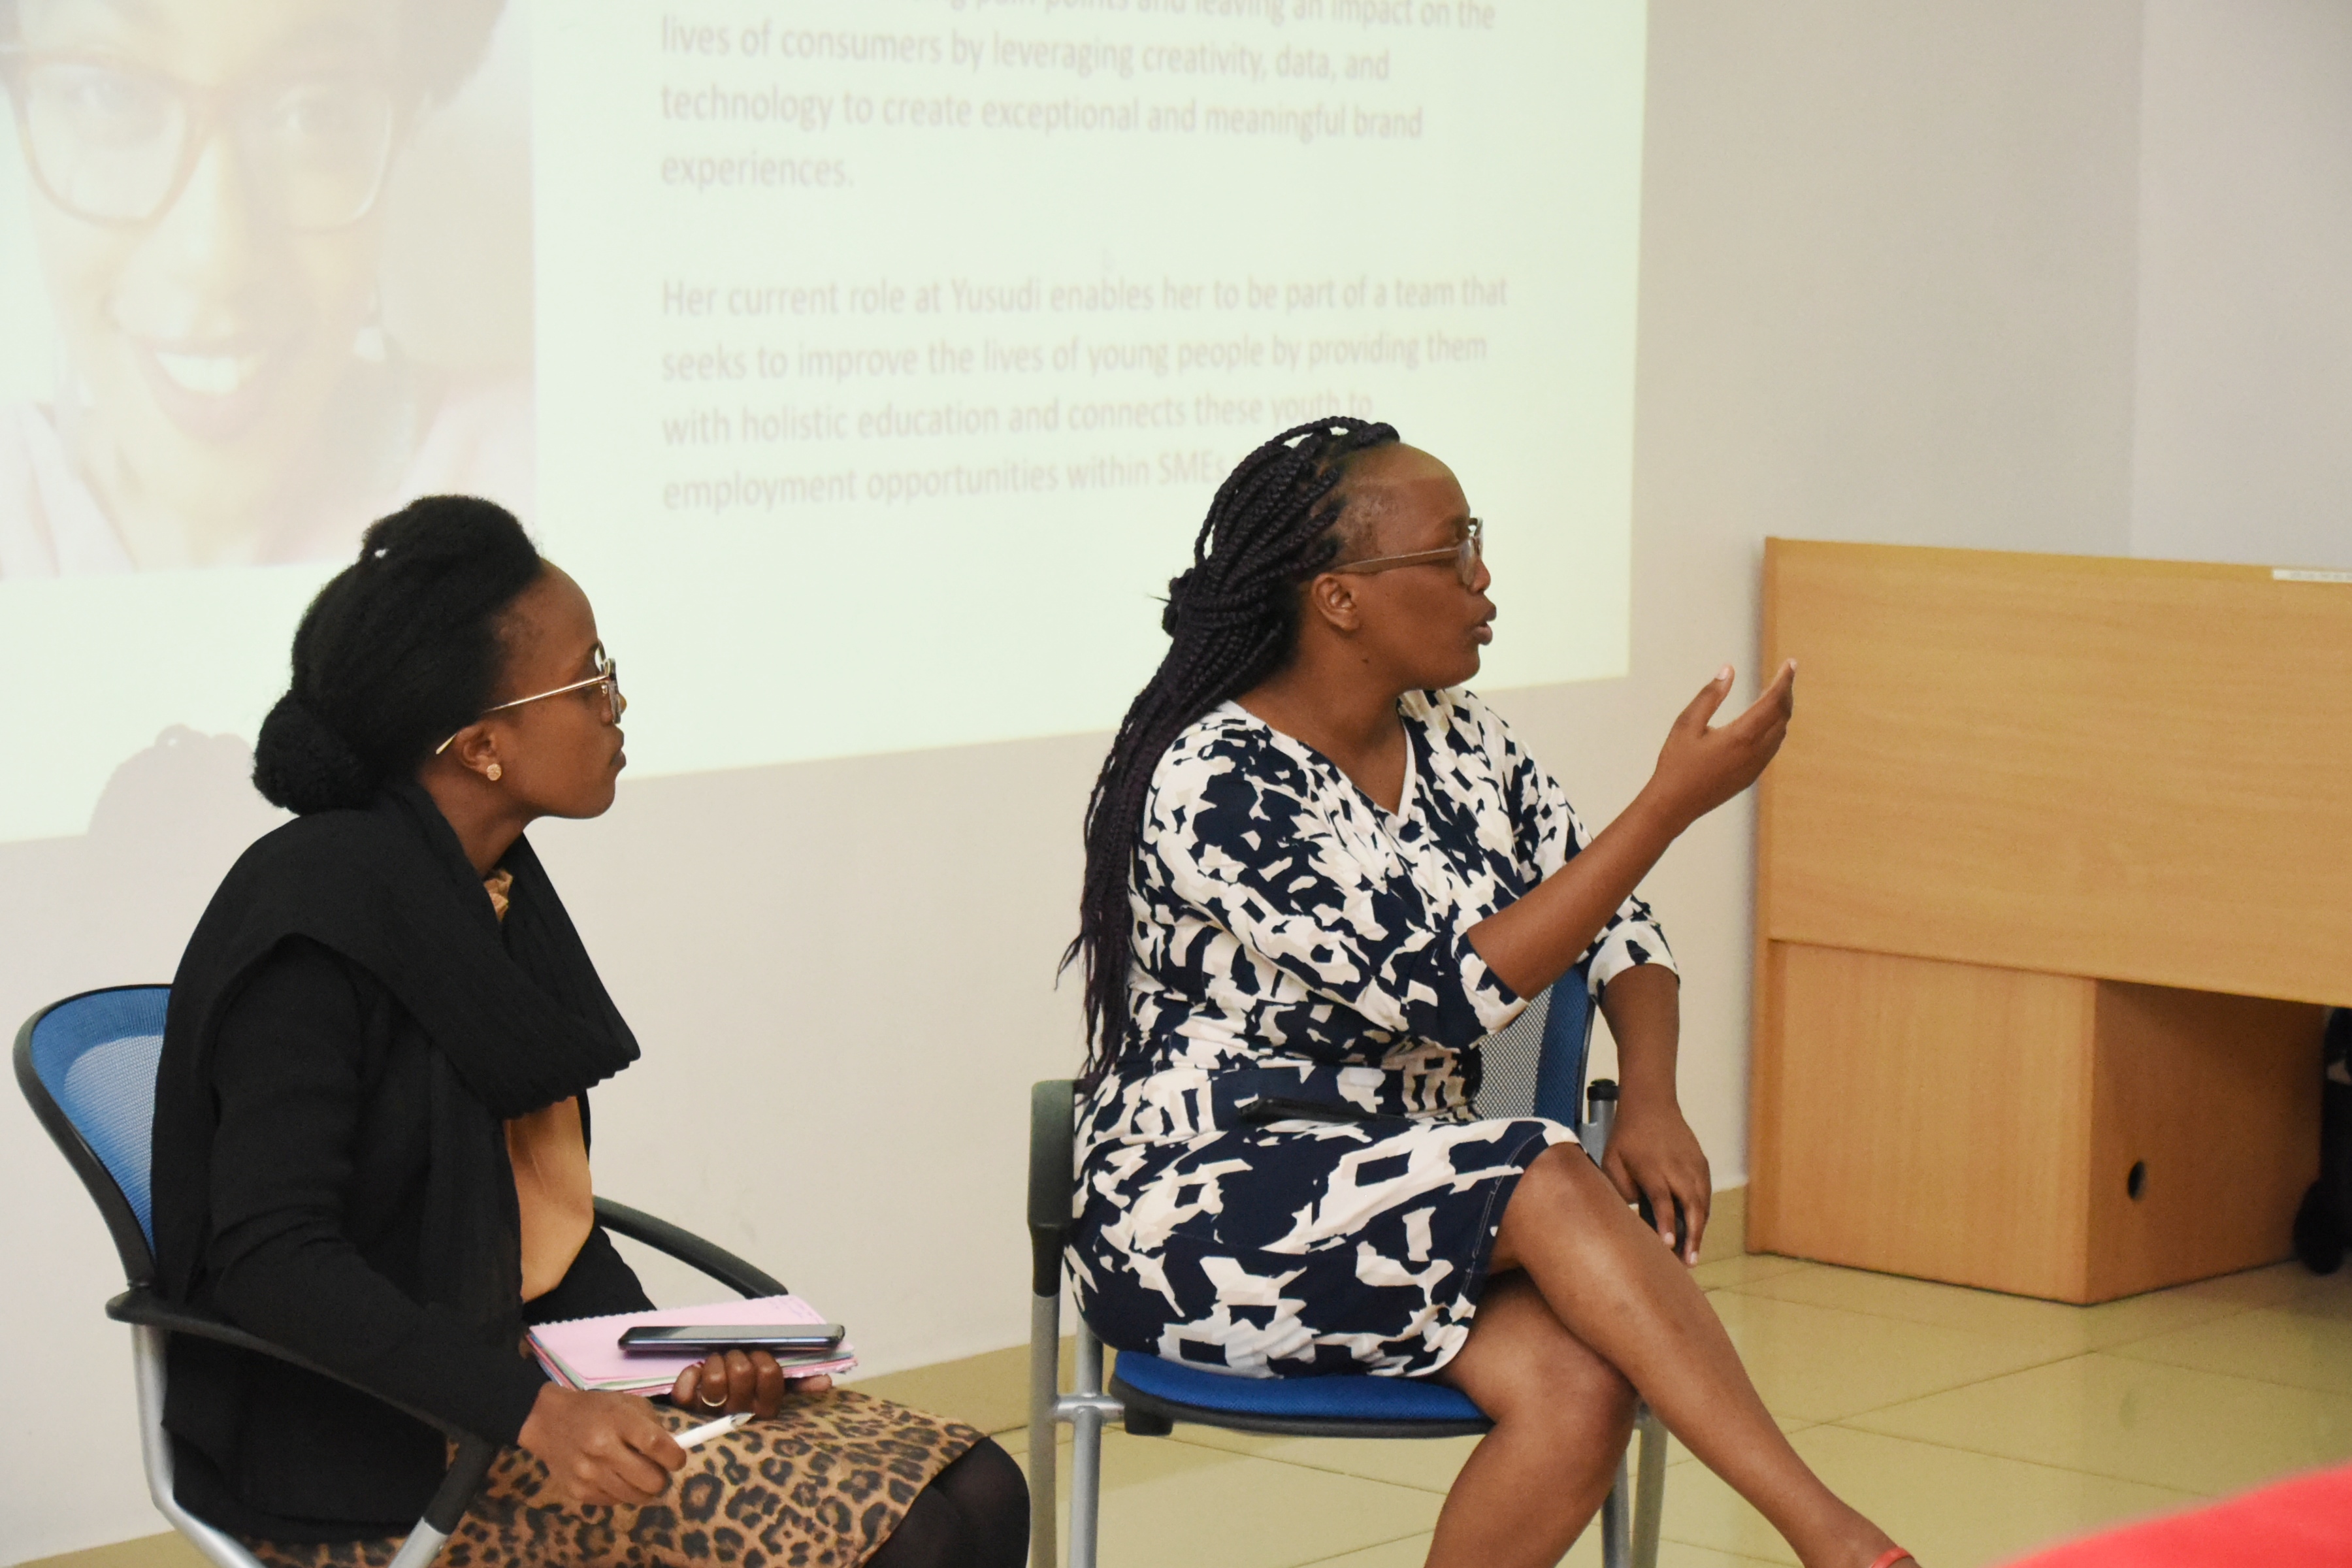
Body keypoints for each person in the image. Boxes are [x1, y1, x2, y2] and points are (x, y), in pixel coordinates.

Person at [1064, 419, 1918, 1568]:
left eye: (1480, 545)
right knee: (1541, 1165)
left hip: (1407, 1194)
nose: (1483, 580)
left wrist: (1653, 1096)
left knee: (1577, 1386)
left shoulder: (1464, 744)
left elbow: (1619, 927)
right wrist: (1667, 803)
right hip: (1209, 1208)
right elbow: (1446, 993)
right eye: (1451, 552)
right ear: (1341, 599)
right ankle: (1839, 1540)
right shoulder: (1217, 781)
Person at [150, 496, 1025, 1567]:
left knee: (981, 1484)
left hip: (503, 1387)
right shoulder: (315, 923)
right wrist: (536, 1411)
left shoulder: (482, 887)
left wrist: (667, 1360)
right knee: (920, 1537)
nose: (616, 706)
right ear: (480, 745)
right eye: (589, 679)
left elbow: (529, 1219)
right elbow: (273, 1261)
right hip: (365, 1456)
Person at [0, 0, 531, 576]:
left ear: (401, 126)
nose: (216, 259)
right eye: (112, 94)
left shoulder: (565, 467)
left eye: (316, 111)